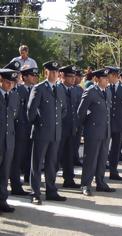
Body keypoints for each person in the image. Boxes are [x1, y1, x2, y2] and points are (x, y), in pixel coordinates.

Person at [27, 60, 67, 205]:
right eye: (52, 72)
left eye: (57, 72)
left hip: (55, 133)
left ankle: (51, 191)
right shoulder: (39, 88)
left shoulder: (60, 89)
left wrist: (54, 125)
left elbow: (63, 110)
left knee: (52, 164)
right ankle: (35, 193)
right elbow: (31, 112)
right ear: (46, 72)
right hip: (41, 132)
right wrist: (42, 124)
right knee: (37, 164)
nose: (55, 74)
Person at [77, 67, 116, 196]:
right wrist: (88, 126)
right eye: (104, 78)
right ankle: (85, 184)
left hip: (105, 131)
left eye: (107, 78)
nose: (107, 80)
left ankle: (100, 182)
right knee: (91, 159)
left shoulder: (108, 91)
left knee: (102, 158)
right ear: (97, 79)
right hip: (93, 131)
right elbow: (81, 112)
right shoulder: (90, 91)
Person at [10, 67, 38, 195]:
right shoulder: (19, 90)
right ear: (24, 77)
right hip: (21, 129)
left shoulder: (35, 89)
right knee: (17, 158)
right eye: (32, 75)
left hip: (31, 129)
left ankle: (28, 179)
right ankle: (16, 185)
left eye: (35, 75)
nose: (34, 77)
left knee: (28, 156)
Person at [57, 65, 81, 188]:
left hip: (71, 128)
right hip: (59, 128)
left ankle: (69, 179)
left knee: (69, 155)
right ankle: (49, 181)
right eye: (70, 76)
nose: (73, 79)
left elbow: (75, 109)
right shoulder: (57, 88)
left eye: (74, 76)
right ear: (62, 76)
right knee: (55, 156)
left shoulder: (74, 90)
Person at [0, 68, 19, 213]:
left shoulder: (13, 96)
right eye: (7, 82)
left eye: (12, 83)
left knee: (5, 173)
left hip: (9, 141)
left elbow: (13, 117)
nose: (10, 85)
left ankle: (2, 200)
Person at [73, 69, 84, 166]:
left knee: (76, 141)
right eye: (78, 76)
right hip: (69, 120)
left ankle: (75, 157)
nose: (80, 79)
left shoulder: (80, 89)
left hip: (78, 120)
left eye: (81, 77)